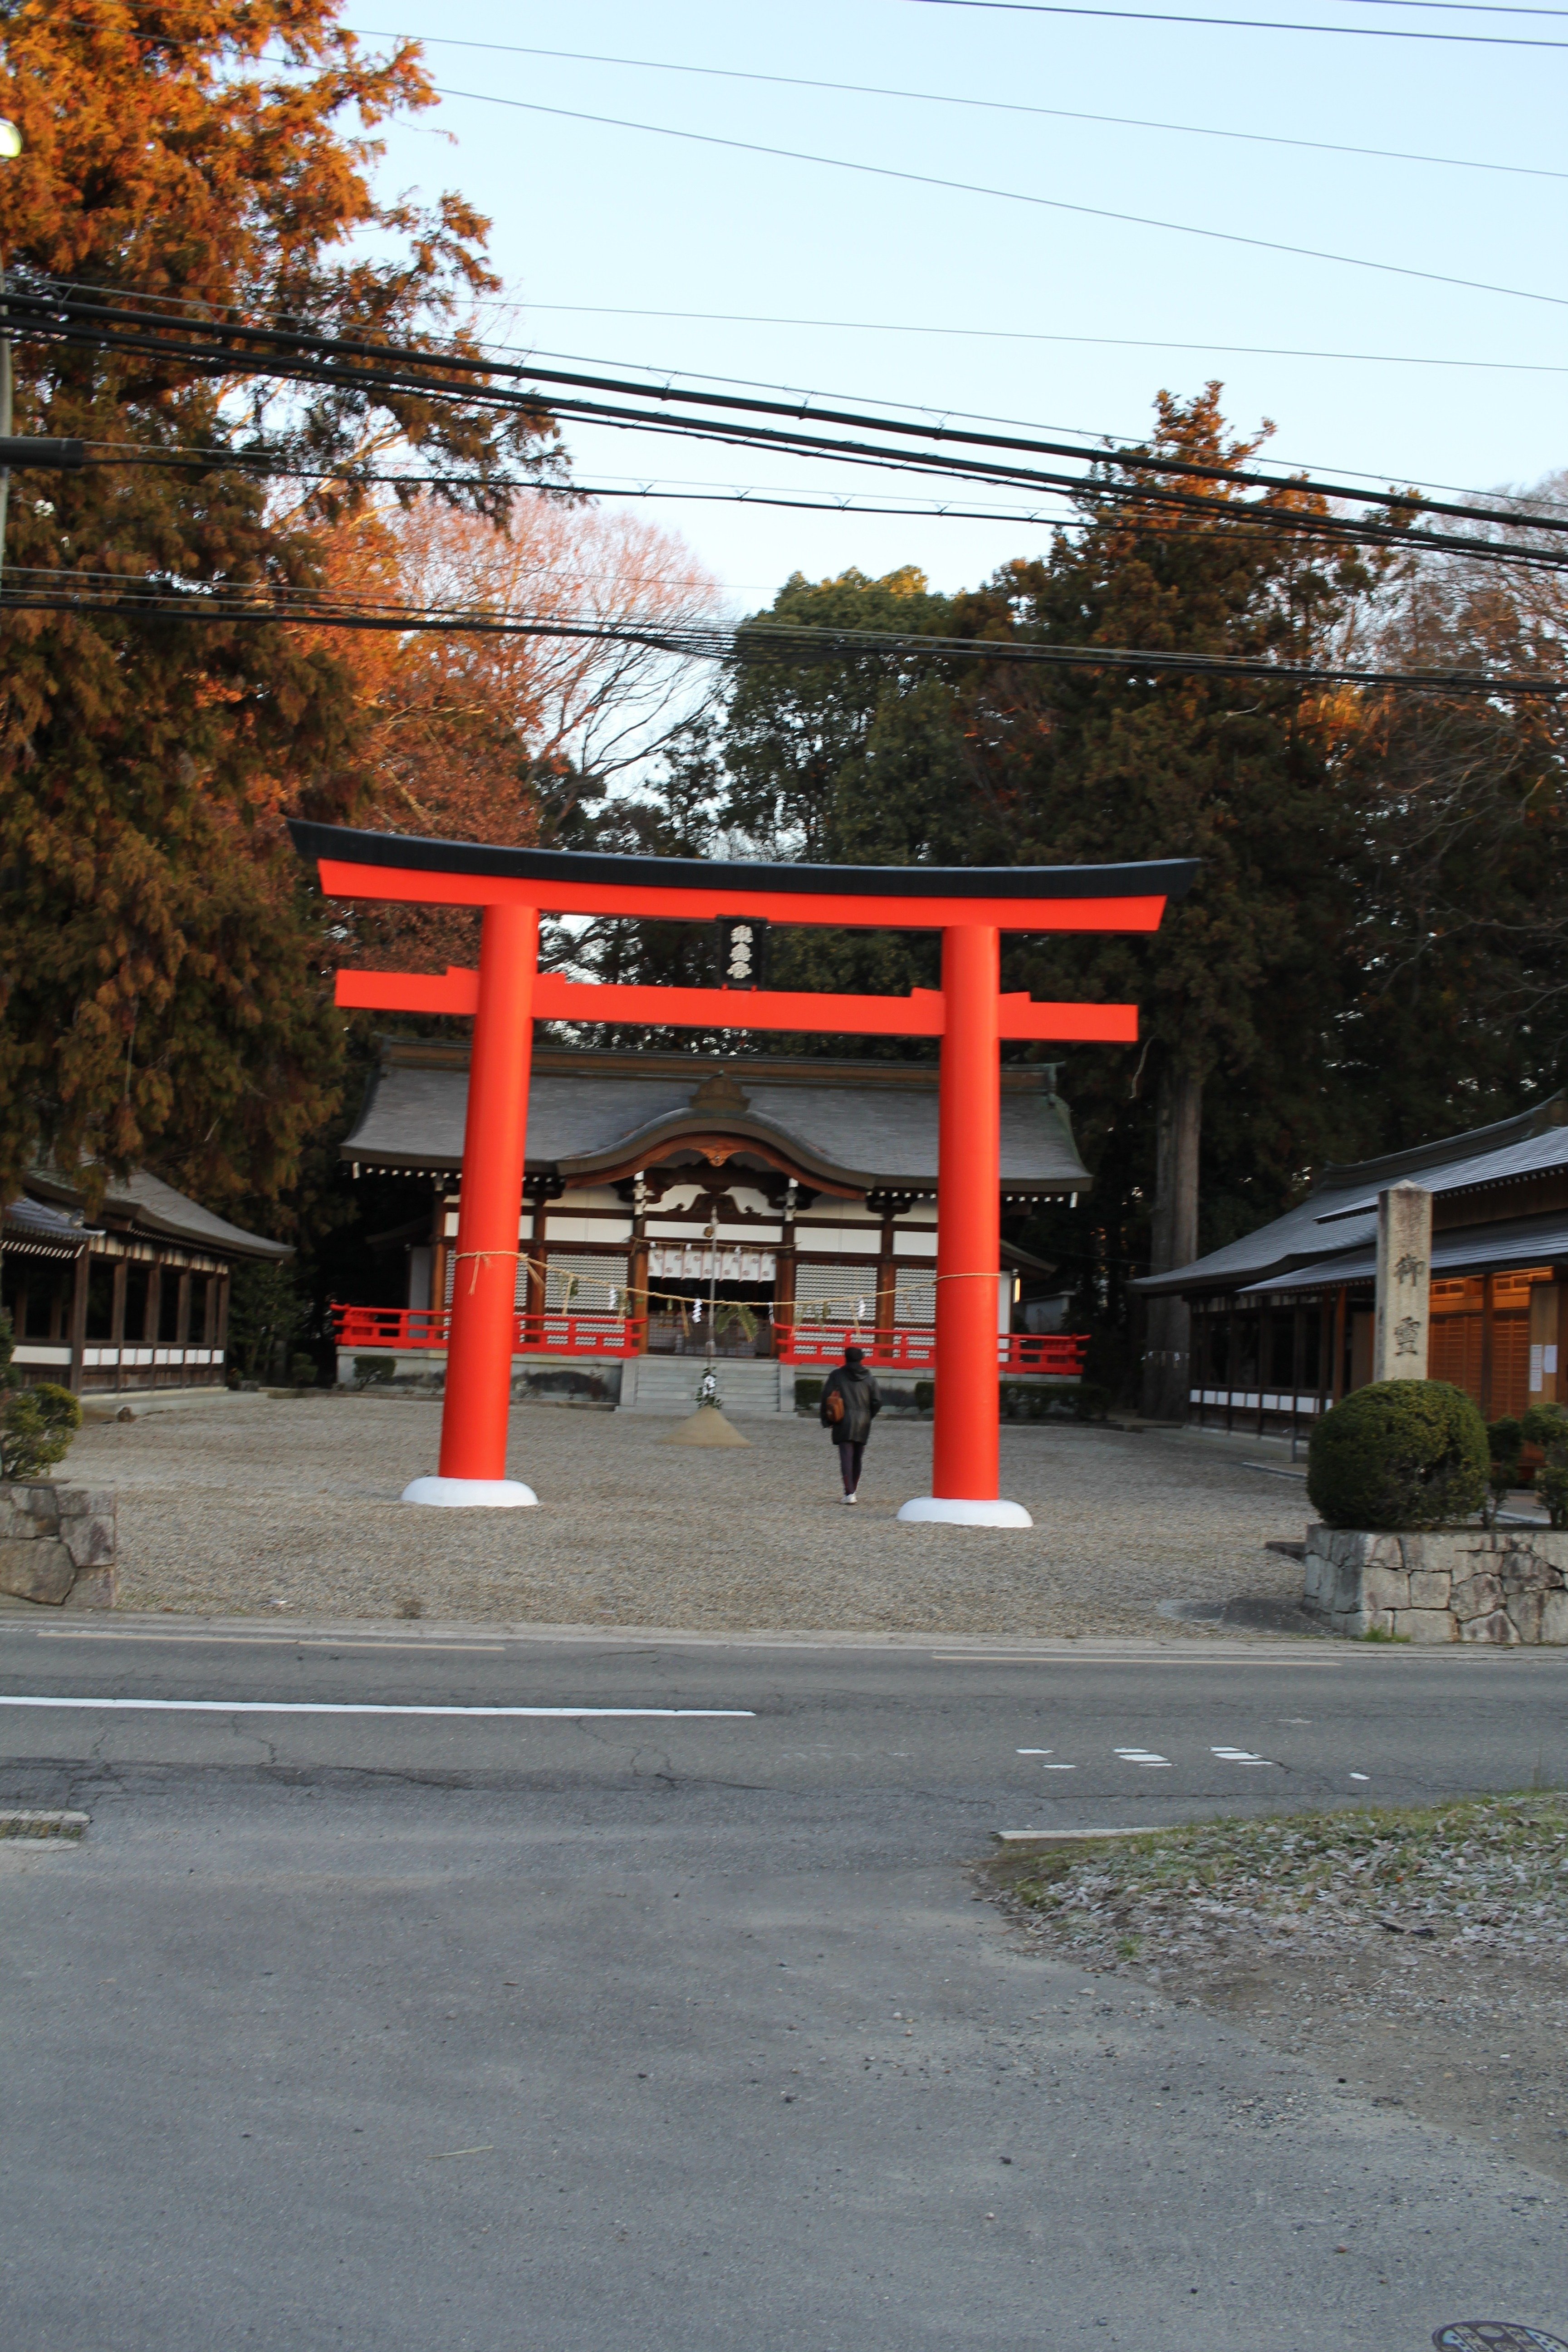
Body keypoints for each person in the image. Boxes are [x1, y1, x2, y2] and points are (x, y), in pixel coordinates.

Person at [818, 1343, 882, 1504]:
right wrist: (868, 1416)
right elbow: (877, 1401)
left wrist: (826, 1420)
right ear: (862, 1359)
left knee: (846, 1457)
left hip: (843, 1421)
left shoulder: (837, 1376)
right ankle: (854, 1489)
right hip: (863, 1422)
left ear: (845, 1358)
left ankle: (850, 1493)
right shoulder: (869, 1378)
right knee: (858, 1457)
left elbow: (826, 1397)